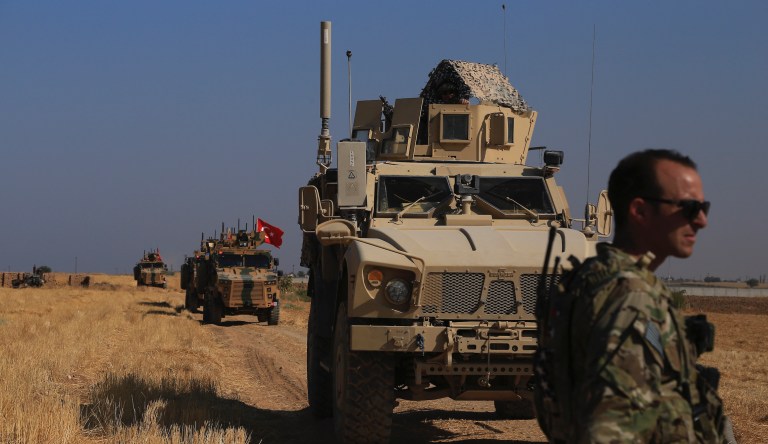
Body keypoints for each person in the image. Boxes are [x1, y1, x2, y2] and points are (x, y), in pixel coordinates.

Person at [550, 149, 734, 442]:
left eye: (703, 208)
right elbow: (610, 428)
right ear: (639, 212)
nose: (701, 221)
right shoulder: (631, 298)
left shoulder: (598, 279)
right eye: (688, 208)